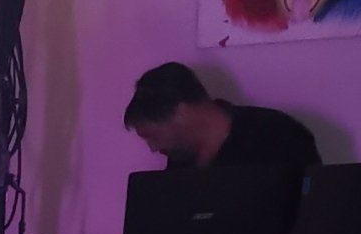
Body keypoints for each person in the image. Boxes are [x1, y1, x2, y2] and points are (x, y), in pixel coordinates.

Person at [123, 64, 320, 174]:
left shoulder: (277, 134)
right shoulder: (180, 161)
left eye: (153, 136)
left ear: (180, 112)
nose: (153, 148)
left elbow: (313, 213)